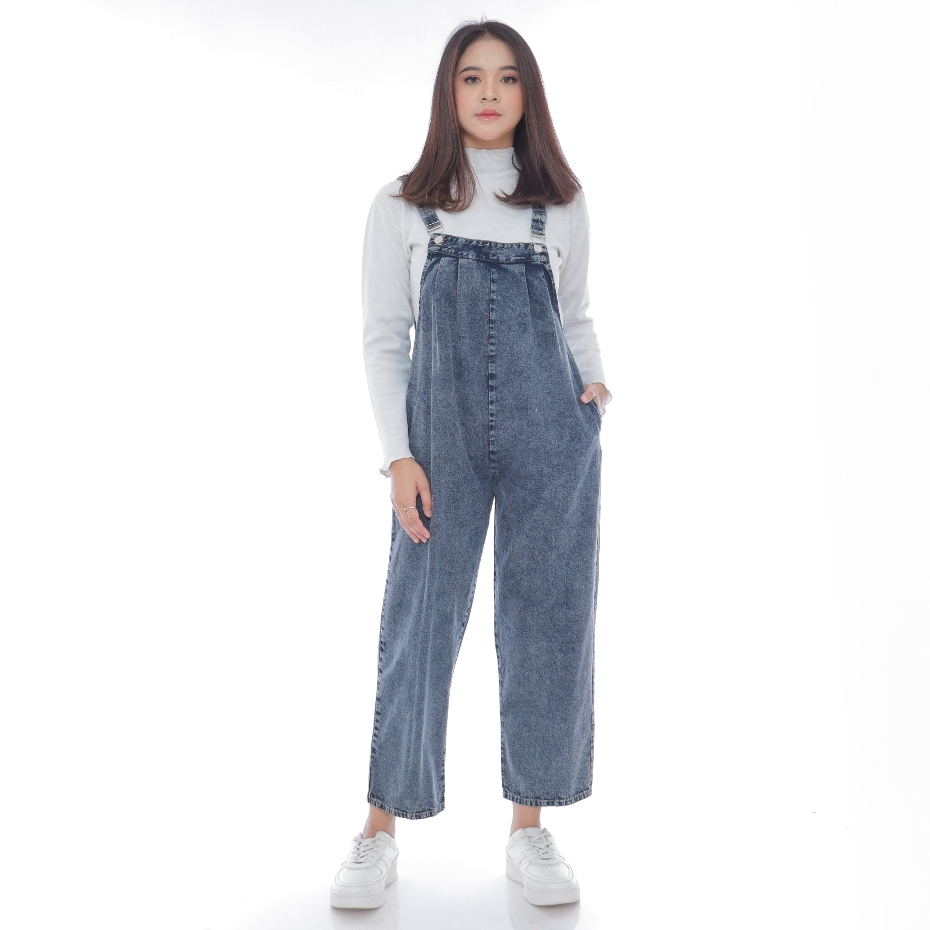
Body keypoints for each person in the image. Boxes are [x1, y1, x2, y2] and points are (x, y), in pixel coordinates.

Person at [330, 18, 613, 910]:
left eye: (507, 77)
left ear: (529, 93)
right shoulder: (402, 204)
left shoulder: (560, 202)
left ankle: (531, 828)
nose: (490, 93)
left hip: (551, 437)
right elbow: (385, 338)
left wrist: (594, 387)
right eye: (471, 77)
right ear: (447, 94)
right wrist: (398, 457)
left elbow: (574, 315)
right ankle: (380, 829)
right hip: (436, 443)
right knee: (419, 622)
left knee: (548, 622)